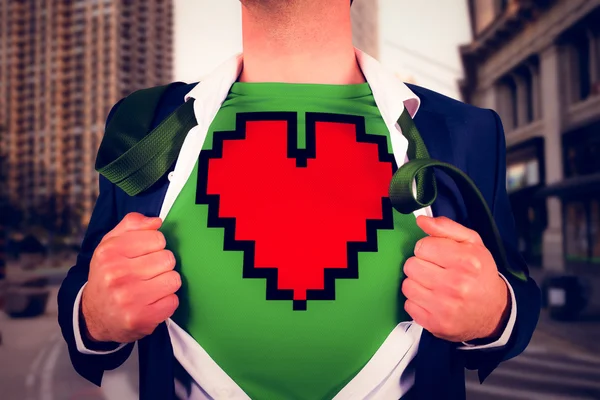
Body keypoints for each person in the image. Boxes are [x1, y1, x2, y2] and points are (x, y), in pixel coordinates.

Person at [57, 0, 541, 399]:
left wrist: (495, 311)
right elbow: (86, 295)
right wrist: (94, 314)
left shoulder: (468, 132)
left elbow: (517, 295)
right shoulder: (142, 122)